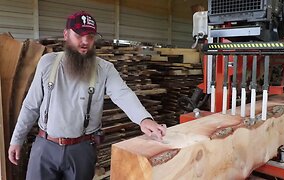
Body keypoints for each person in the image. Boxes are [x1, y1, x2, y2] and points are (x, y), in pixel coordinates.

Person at [8, 11, 166, 180]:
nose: (85, 42)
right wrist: (16, 140)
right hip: (45, 147)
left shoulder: (104, 69)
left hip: (81, 150)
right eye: (79, 35)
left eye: (90, 36)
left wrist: (144, 119)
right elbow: (31, 105)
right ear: (66, 34)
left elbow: (123, 94)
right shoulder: (48, 63)